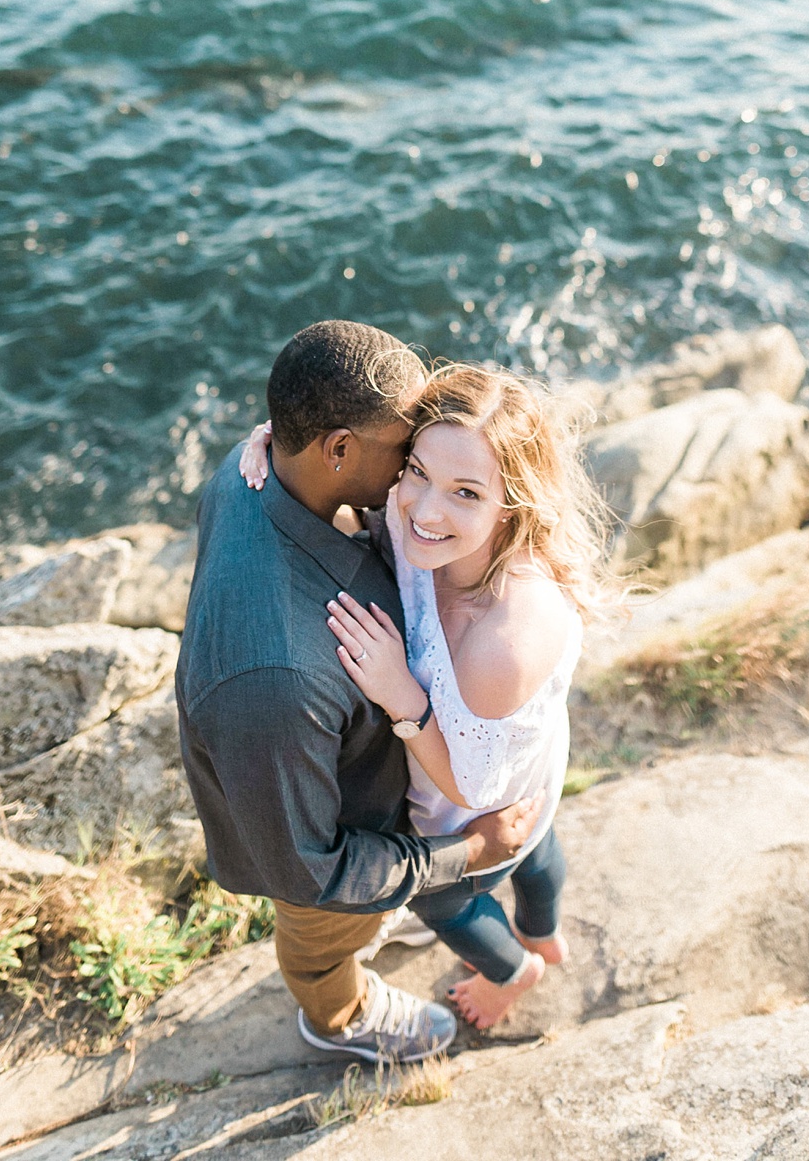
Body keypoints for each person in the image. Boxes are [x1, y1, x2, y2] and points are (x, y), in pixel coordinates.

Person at [177, 321, 542, 1065]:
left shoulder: (253, 468)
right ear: (338, 449)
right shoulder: (278, 681)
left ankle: (387, 913)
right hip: (327, 831)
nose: (417, 460)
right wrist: (464, 850)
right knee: (322, 943)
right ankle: (339, 1016)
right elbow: (313, 871)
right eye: (404, 448)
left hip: (345, 768)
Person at [240, 361, 606, 1030]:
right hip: (533, 767)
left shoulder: (505, 637)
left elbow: (470, 786)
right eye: (417, 471)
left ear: (514, 506)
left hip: (476, 800)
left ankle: (513, 970)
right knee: (542, 846)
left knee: (446, 902)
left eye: (466, 492)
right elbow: (355, 471)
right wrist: (282, 446)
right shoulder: (421, 528)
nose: (425, 507)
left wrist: (401, 695)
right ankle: (543, 928)